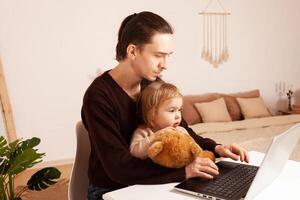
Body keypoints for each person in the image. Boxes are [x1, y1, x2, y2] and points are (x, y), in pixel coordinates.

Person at [81, 11, 249, 200]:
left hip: (153, 182)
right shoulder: (98, 97)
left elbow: (181, 129)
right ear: (133, 51)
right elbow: (118, 168)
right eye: (158, 55)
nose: (165, 64)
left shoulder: (152, 84)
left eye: (168, 55)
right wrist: (185, 172)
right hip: (111, 191)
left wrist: (217, 148)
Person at [130, 81, 189, 159]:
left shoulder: (181, 131)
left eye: (179, 110)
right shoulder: (144, 132)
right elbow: (134, 152)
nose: (178, 116)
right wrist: (156, 136)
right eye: (172, 110)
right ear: (153, 114)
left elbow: (192, 148)